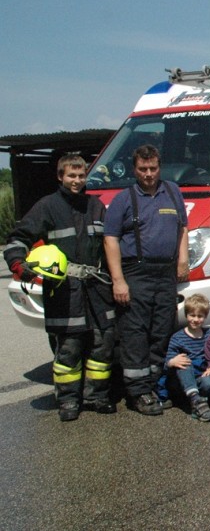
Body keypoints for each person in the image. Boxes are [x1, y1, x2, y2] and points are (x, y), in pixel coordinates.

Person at [4, 153, 116, 421]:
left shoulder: (97, 206)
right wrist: (18, 264)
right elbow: (18, 237)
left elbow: (111, 246)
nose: (77, 181)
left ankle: (96, 396)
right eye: (71, 176)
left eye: (81, 175)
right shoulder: (47, 206)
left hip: (98, 290)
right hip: (65, 291)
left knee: (102, 346)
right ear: (60, 177)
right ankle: (68, 400)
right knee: (69, 349)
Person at [103, 144, 189, 416]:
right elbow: (110, 239)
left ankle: (154, 385)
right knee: (135, 334)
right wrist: (118, 280)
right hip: (136, 274)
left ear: (159, 167)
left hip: (165, 274)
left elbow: (183, 227)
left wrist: (183, 259)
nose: (149, 174)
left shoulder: (172, 192)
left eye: (153, 168)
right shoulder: (124, 199)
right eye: (143, 169)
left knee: (162, 330)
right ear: (135, 169)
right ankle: (138, 392)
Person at [163, 294, 210, 421]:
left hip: (200, 375)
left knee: (209, 382)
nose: (195, 319)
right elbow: (167, 362)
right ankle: (196, 401)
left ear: (205, 317)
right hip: (181, 378)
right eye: (192, 315)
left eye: (200, 316)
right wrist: (172, 361)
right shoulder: (177, 337)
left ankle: (196, 402)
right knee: (183, 361)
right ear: (186, 315)